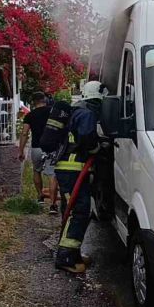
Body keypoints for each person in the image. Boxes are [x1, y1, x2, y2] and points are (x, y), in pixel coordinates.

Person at [53, 81, 106, 273]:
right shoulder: (88, 113)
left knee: (74, 211)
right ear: (98, 99)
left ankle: (73, 254)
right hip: (72, 169)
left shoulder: (77, 110)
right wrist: (97, 148)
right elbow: (85, 136)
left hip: (69, 169)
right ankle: (65, 258)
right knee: (79, 212)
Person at [18, 92, 59, 213]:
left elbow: (25, 133)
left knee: (36, 170)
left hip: (36, 147)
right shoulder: (53, 112)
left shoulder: (30, 115)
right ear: (45, 100)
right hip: (51, 147)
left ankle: (40, 196)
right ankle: (53, 205)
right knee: (52, 174)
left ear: (33, 102)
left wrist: (21, 150)